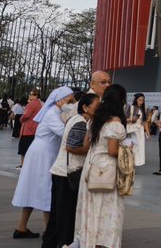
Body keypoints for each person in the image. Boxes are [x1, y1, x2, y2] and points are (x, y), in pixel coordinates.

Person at [11, 86, 76, 239]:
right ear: (60, 100)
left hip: (41, 152)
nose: (72, 103)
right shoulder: (53, 113)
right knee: (48, 189)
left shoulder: (55, 112)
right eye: (70, 100)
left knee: (33, 189)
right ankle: (49, 231)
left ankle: (21, 228)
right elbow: (64, 133)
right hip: (44, 154)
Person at [75, 84, 129, 248]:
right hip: (107, 171)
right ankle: (102, 243)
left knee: (90, 208)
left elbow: (86, 146)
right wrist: (128, 151)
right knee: (108, 209)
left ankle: (88, 241)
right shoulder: (115, 123)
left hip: (91, 167)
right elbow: (112, 151)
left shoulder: (94, 120)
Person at [42, 92, 98, 248]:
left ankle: (49, 244)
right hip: (68, 173)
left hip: (61, 172)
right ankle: (63, 244)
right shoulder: (80, 122)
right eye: (97, 106)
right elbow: (71, 147)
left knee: (57, 216)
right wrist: (91, 150)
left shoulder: (75, 119)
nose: (99, 108)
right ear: (85, 107)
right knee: (65, 217)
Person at [18, 90, 42, 167]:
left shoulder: (31, 104)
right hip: (35, 128)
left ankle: (23, 164)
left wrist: (21, 119)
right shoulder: (40, 104)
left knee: (23, 149)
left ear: (35, 96)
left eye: (31, 94)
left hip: (27, 129)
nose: (29, 96)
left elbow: (26, 115)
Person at [126, 93, 147, 167]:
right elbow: (124, 119)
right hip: (132, 130)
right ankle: (128, 164)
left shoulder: (143, 109)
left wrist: (147, 132)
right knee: (131, 147)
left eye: (142, 100)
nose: (141, 102)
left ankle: (133, 164)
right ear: (135, 100)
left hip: (139, 130)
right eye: (139, 100)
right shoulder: (130, 107)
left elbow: (144, 121)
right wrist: (132, 119)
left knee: (138, 148)